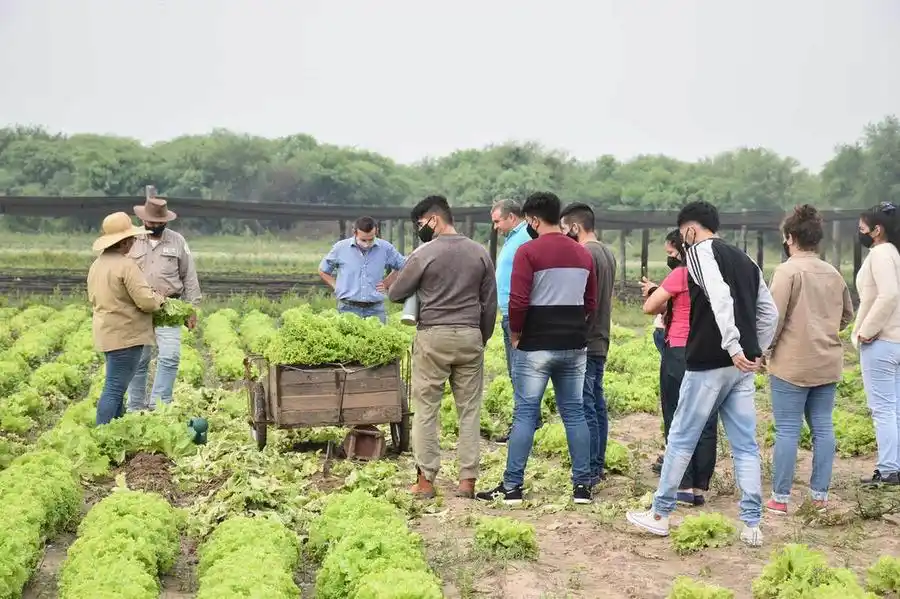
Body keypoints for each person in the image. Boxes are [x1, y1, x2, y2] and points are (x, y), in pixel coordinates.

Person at [626, 200, 778, 547]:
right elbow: (769, 311)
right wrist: (757, 350)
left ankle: (660, 515)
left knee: (681, 436)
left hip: (710, 361)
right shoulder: (746, 259)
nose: (683, 241)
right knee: (744, 445)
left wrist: (734, 345)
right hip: (740, 369)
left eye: (683, 235)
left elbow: (720, 298)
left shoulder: (698, 251)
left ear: (690, 230)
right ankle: (752, 525)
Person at [476, 191, 597, 505]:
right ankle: (582, 487)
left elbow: (517, 300)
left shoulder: (528, 252)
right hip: (574, 345)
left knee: (526, 414)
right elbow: (591, 303)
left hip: (535, 345)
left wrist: (516, 334)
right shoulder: (583, 253)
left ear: (531, 219)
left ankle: (512, 486)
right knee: (574, 413)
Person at [387, 196, 498, 499]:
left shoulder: (424, 253)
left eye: (421, 224)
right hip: (470, 336)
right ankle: (467, 482)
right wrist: (481, 337)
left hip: (433, 336)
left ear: (434, 220)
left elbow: (396, 292)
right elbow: (490, 303)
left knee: (426, 409)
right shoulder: (479, 252)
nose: (420, 229)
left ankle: (425, 482)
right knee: (469, 412)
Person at [765, 205, 854, 514]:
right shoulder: (833, 273)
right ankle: (819, 495)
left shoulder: (787, 270)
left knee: (787, 429)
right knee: (823, 427)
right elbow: (847, 315)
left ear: (791, 237)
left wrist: (765, 350)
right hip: (827, 362)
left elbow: (773, 319)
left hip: (792, 363)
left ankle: (780, 497)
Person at [641, 229, 717, 506]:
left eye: (673, 253)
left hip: (679, 349)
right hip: (710, 350)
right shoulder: (716, 274)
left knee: (676, 415)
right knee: (706, 417)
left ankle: (682, 483)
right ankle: (699, 486)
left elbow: (650, 307)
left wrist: (655, 294)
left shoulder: (681, 274)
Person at [87, 212, 165, 425]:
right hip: (126, 335)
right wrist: (160, 300)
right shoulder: (126, 266)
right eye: (131, 239)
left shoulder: (98, 265)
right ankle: (102, 434)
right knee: (113, 388)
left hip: (107, 333)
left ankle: (116, 431)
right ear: (123, 242)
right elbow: (146, 302)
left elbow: (92, 297)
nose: (132, 243)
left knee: (117, 388)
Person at [126, 195, 201, 412]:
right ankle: (136, 406)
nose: (156, 225)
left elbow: (189, 276)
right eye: (152, 221)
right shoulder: (132, 240)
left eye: (160, 222)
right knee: (139, 360)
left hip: (170, 306)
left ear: (166, 220)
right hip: (139, 308)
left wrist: (192, 307)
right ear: (143, 219)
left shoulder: (177, 241)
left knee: (170, 356)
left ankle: (160, 405)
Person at [560, 202, 616, 485]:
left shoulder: (584, 253)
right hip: (601, 337)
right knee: (596, 403)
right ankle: (597, 464)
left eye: (564, 228)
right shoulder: (606, 252)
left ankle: (591, 470)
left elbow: (581, 300)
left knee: (585, 406)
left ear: (575, 227)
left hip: (586, 339)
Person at [852, 201, 900, 487]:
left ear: (876, 230)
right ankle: (893, 466)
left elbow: (889, 295)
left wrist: (867, 330)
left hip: (882, 342)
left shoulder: (881, 254)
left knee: (883, 408)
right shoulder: (894, 253)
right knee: (894, 408)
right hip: (897, 340)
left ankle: (888, 469)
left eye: (862, 229)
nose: (859, 233)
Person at [490, 198, 536, 443]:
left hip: (518, 314)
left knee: (520, 372)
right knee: (516, 372)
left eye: (498, 221)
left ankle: (523, 426)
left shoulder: (526, 237)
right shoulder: (512, 239)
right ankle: (527, 422)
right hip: (509, 313)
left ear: (511, 217)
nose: (495, 226)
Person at [319, 216, 406, 324]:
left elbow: (404, 266)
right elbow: (323, 270)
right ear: (354, 233)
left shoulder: (386, 248)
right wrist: (336, 286)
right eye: (363, 240)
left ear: (376, 231)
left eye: (371, 239)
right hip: (347, 308)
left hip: (376, 309)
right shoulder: (340, 248)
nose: (367, 244)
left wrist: (387, 283)